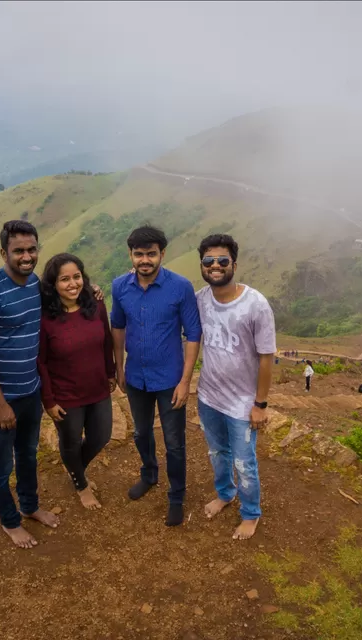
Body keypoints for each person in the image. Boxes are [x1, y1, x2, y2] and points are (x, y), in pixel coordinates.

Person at [0, 219, 62, 550]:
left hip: (30, 391)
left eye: (31, 249)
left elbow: (65, 296)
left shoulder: (34, 285)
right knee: (1, 462)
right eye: (18, 250)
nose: (26, 256)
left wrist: (90, 290)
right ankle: (9, 521)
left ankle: (30, 505)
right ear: (3, 252)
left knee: (28, 454)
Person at [111, 225, 201, 527]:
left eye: (151, 254)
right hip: (137, 377)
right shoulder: (120, 287)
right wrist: (119, 367)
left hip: (170, 380)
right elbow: (118, 327)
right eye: (139, 254)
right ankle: (149, 474)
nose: (144, 260)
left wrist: (186, 381)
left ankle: (177, 495)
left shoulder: (180, 287)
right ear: (131, 255)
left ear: (162, 254)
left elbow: (193, 334)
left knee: (174, 441)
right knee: (141, 432)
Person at [194, 234, 275, 541]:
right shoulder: (201, 298)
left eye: (222, 261)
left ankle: (251, 513)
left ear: (234, 264)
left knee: (244, 462)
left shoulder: (256, 305)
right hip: (208, 396)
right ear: (202, 265)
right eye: (209, 261)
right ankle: (225, 494)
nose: (215, 266)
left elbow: (267, 358)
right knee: (217, 454)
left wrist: (260, 404)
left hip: (242, 403)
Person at [37, 253, 116, 510]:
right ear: (53, 284)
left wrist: (110, 372)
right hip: (66, 395)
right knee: (70, 441)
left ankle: (74, 468)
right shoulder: (45, 318)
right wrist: (48, 400)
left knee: (101, 436)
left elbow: (106, 340)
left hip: (97, 387)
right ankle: (80, 483)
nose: (73, 284)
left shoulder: (95, 305)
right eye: (64, 279)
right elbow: (41, 362)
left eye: (77, 277)